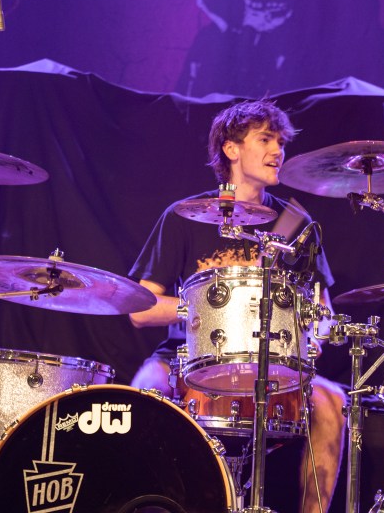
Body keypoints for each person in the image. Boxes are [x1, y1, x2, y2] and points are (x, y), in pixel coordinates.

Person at [128, 99, 345, 513]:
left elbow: (323, 310)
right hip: (186, 358)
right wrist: (210, 310)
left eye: (281, 142)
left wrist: (315, 334)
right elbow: (141, 309)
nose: (278, 150)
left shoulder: (297, 225)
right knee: (142, 395)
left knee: (332, 401)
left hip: (274, 366)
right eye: (265, 139)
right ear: (231, 148)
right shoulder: (185, 216)